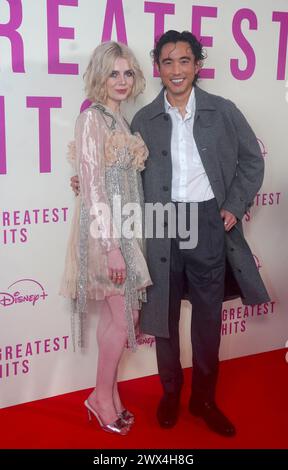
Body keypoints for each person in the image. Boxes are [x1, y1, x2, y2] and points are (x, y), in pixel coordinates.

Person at [71, 30, 270, 438]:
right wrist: (85, 180)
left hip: (208, 223)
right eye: (167, 62)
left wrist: (233, 206)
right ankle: (171, 392)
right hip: (160, 222)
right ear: (158, 68)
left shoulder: (222, 110)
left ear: (197, 65)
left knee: (208, 318)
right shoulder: (144, 118)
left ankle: (205, 398)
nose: (176, 70)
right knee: (161, 314)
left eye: (184, 61)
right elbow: (119, 170)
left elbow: (252, 160)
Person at [60, 41, 152, 436]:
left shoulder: (121, 120)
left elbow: (109, 179)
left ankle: (107, 396)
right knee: (125, 315)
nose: (121, 80)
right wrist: (112, 246)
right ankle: (101, 397)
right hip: (106, 233)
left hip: (125, 227)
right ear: (99, 75)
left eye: (127, 72)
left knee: (117, 317)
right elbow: (95, 187)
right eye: (113, 72)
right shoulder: (92, 119)